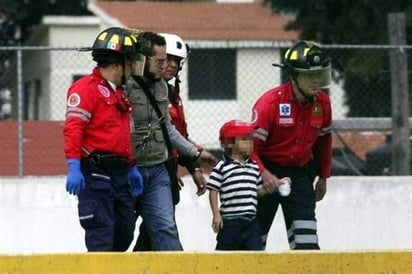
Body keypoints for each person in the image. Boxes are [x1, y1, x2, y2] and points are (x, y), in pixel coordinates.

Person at [125, 31, 216, 251]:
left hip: (158, 170)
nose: (169, 65)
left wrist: (195, 154)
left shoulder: (165, 89)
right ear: (144, 59)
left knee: (164, 227)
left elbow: (170, 129)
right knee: (122, 232)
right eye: (163, 60)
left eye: (174, 60)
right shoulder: (124, 86)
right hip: (130, 170)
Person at [63, 27, 144, 251]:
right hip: (96, 173)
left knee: (124, 233)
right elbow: (73, 129)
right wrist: (74, 166)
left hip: (120, 174)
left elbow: (122, 135)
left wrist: (131, 167)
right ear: (118, 63)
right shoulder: (85, 89)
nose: (132, 67)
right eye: (130, 61)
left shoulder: (119, 92)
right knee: (102, 235)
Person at [251, 40, 332, 250]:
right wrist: (264, 174)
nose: (316, 81)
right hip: (265, 173)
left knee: (307, 246)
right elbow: (249, 148)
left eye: (319, 75)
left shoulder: (323, 103)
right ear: (293, 76)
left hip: (300, 175)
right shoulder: (269, 104)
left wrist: (323, 177)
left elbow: (324, 142)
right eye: (309, 76)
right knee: (252, 243)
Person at [207, 119, 277, 250]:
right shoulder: (222, 166)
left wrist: (272, 187)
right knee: (224, 258)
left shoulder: (254, 166)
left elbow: (256, 192)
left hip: (251, 222)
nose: (250, 143)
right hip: (229, 224)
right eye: (245, 139)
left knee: (256, 256)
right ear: (230, 143)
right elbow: (213, 190)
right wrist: (216, 214)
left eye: (251, 139)